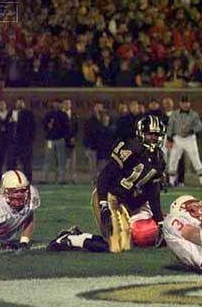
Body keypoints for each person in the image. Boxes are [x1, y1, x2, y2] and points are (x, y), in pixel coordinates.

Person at [49, 115, 167, 253]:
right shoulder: (130, 149)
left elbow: (153, 193)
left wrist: (160, 223)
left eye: (156, 135)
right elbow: (104, 177)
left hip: (132, 203)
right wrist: (103, 204)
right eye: (150, 134)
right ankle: (71, 238)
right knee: (116, 247)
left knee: (133, 242)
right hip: (111, 197)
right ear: (141, 133)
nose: (154, 138)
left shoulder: (159, 160)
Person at [167, 95, 202, 188]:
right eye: (183, 102)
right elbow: (170, 125)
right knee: (173, 159)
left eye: (187, 102)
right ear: (180, 103)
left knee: (195, 158)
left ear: (189, 103)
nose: (185, 105)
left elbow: (199, 126)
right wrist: (169, 137)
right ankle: (171, 181)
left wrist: (192, 130)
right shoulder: (175, 114)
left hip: (189, 138)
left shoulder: (194, 114)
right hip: (178, 138)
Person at [41, 100, 70, 184]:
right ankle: (45, 178)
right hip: (50, 140)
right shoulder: (49, 114)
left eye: (58, 103)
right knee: (48, 159)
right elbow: (44, 126)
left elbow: (67, 127)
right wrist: (48, 127)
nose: (56, 105)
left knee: (61, 160)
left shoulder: (63, 115)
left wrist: (64, 136)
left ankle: (61, 179)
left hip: (59, 139)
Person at [7, 98, 36, 181]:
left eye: (21, 102)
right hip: (13, 141)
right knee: (11, 162)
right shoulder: (11, 113)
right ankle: (11, 179)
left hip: (25, 142)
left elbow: (32, 127)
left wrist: (30, 139)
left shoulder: (28, 113)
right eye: (18, 102)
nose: (19, 104)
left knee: (26, 162)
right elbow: (7, 126)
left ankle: (28, 179)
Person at [83, 101, 105, 184]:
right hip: (92, 146)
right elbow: (86, 133)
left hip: (102, 147)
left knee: (101, 165)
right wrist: (86, 146)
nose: (99, 109)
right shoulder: (90, 120)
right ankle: (94, 179)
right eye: (97, 107)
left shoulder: (104, 119)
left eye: (100, 107)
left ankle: (101, 180)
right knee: (92, 165)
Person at [62, 99, 79, 184]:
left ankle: (73, 178)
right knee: (63, 161)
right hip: (62, 141)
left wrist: (73, 137)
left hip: (71, 141)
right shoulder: (60, 115)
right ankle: (63, 178)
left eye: (68, 103)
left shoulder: (74, 115)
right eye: (65, 104)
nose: (67, 105)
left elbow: (76, 127)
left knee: (73, 161)